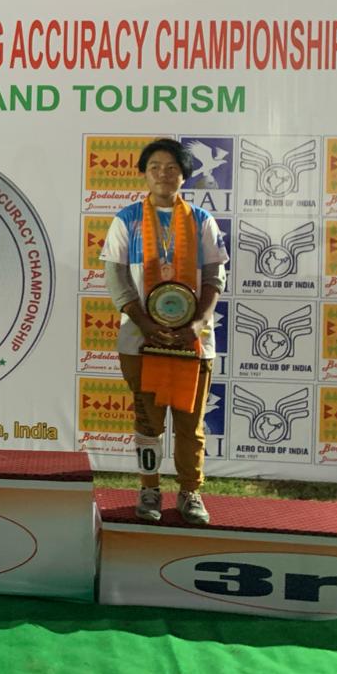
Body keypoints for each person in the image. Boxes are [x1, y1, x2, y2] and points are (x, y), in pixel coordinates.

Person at [100, 138, 228, 525]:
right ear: (144, 173)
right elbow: (116, 278)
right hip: (140, 341)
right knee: (148, 424)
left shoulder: (202, 221)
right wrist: (145, 324)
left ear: (184, 176)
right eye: (155, 167)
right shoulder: (126, 220)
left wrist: (198, 322)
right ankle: (149, 489)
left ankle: (190, 491)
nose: (163, 174)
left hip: (193, 341)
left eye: (172, 168)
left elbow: (214, 276)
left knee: (190, 424)